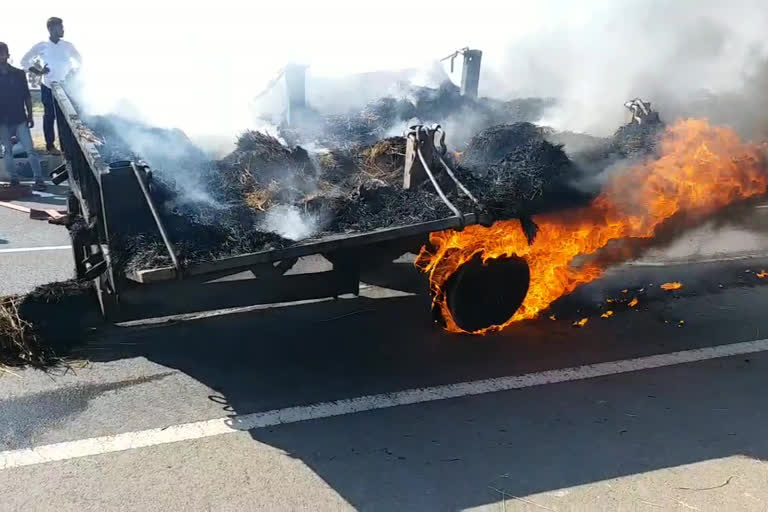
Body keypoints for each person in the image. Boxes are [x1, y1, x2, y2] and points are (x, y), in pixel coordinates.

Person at [21, 17, 81, 153]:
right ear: (51, 29)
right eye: (60, 27)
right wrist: (39, 71)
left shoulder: (68, 46)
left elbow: (79, 61)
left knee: (68, 117)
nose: (63, 30)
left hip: (66, 87)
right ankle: (50, 145)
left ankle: (69, 146)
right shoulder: (42, 46)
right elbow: (24, 61)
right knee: (49, 116)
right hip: (48, 87)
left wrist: (74, 71)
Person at [0, 42, 45, 190]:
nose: (1, 56)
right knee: (7, 151)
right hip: (2, 121)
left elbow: (27, 96)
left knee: (30, 149)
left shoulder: (18, 74)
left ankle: (38, 179)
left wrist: (30, 115)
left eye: (3, 53)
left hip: (19, 118)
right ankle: (14, 179)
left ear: (8, 55)